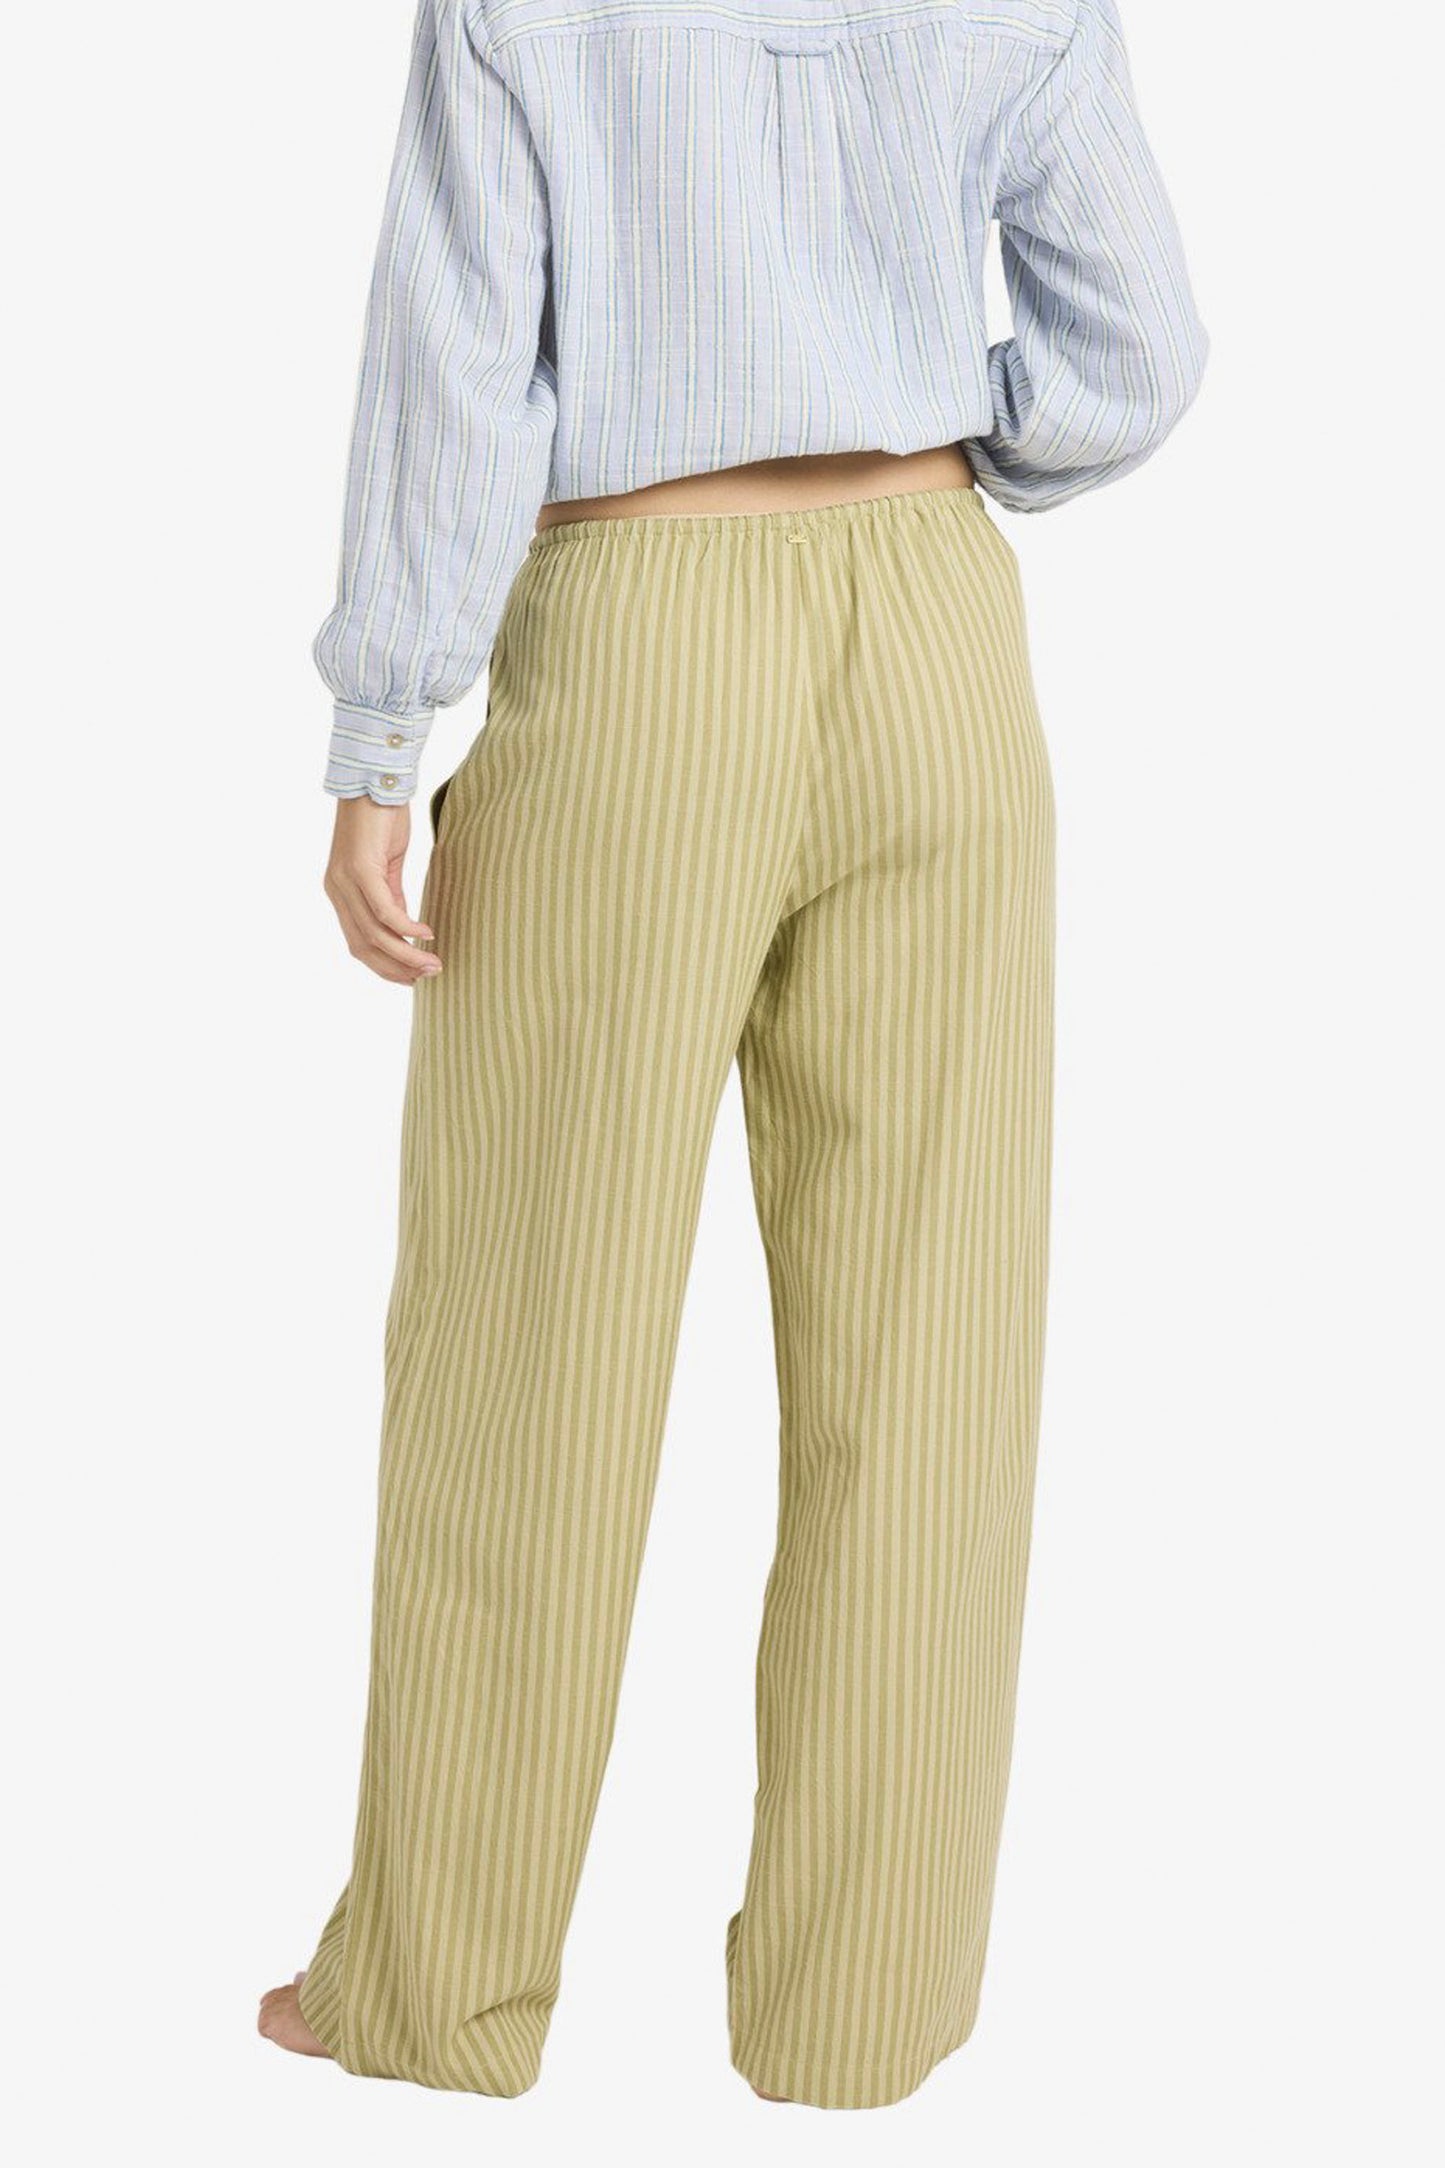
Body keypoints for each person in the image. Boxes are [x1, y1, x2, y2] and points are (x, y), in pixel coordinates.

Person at [258, 0, 1205, 2109]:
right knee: (930, 1368)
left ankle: (435, 1987)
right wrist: (936, 430)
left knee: (529, 1348)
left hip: (637, 631)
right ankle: (858, 2015)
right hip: (941, 643)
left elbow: (458, 351)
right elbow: (1142, 345)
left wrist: (383, 733)